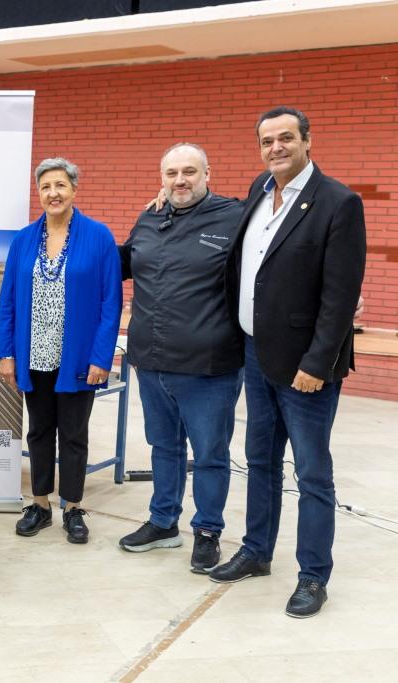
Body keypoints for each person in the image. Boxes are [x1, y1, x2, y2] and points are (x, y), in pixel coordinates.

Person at [212, 107, 366, 618]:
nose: (275, 147)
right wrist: (169, 197)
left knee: (312, 472)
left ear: (307, 141)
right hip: (256, 354)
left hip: (305, 368)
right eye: (266, 140)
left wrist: (318, 363)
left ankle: (313, 575)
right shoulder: (260, 189)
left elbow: (340, 298)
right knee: (260, 460)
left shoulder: (338, 203)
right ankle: (257, 551)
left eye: (285, 138)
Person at [116, 143, 246, 573]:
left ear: (208, 173)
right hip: (152, 361)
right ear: (162, 178)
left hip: (209, 366)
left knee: (210, 453)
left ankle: (207, 531)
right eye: (171, 173)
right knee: (163, 447)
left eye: (189, 171)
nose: (180, 180)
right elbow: (122, 264)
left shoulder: (235, 216)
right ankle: (163, 522)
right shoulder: (149, 218)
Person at [0, 157, 121, 544]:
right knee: (38, 431)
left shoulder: (99, 237)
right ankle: (40, 505)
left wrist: (101, 357)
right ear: (39, 193)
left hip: (78, 358)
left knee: (74, 434)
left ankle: (73, 507)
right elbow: (8, 300)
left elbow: (111, 302)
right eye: (46, 186)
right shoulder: (23, 240)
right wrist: (6, 353)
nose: (53, 193)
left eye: (60, 185)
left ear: (74, 189)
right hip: (33, 355)